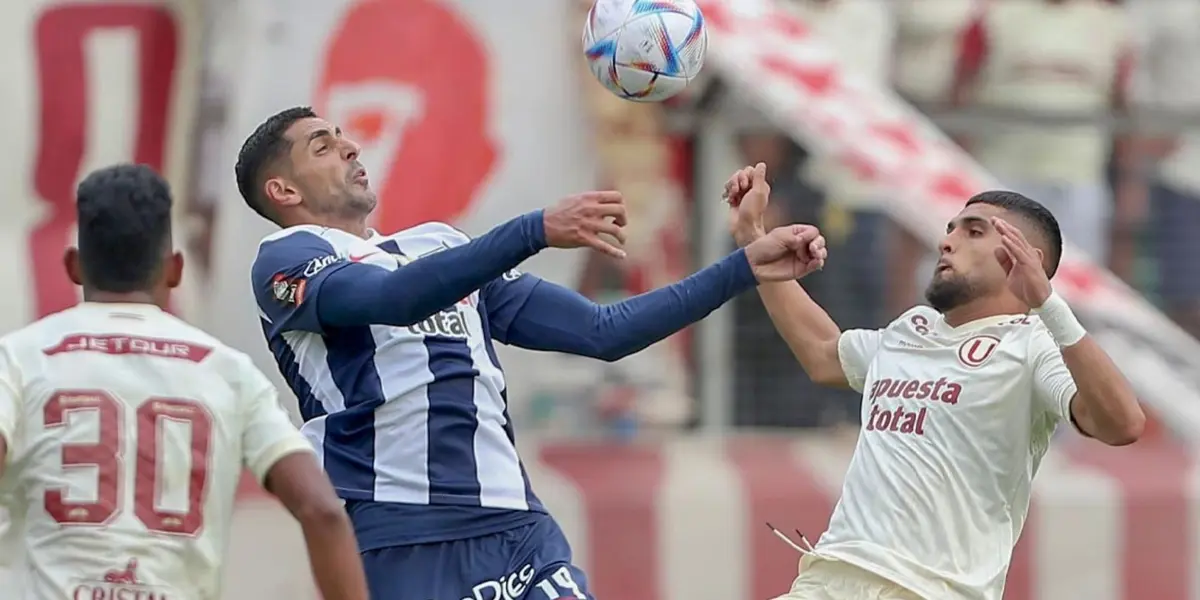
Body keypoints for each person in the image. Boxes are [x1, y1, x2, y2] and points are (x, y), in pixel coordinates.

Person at [235, 106, 823, 598]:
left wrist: (742, 267)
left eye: (343, 137)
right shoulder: (284, 259)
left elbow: (604, 330)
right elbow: (393, 298)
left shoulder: (438, 246)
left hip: (517, 528)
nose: (351, 147)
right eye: (323, 146)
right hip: (404, 536)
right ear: (283, 190)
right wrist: (534, 230)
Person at [724, 163, 1145, 600]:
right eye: (950, 229)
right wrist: (753, 239)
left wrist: (1049, 307)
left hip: (929, 590)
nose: (946, 241)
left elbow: (1123, 423)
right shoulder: (912, 328)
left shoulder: (1032, 346)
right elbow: (823, 352)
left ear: (1024, 259)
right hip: (829, 578)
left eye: (974, 232)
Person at [0, 164, 368, 600]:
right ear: (174, 270)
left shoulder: (20, 358)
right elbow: (322, 511)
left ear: (74, 266)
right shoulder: (228, 372)